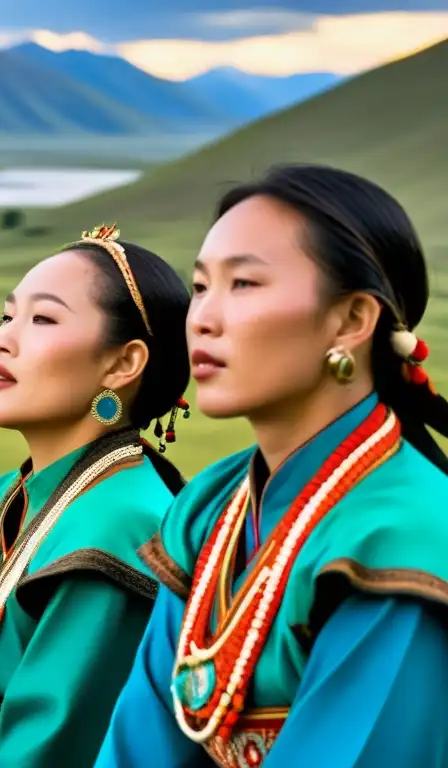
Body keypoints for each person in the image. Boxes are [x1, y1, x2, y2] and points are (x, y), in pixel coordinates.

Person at [96, 164, 448, 768]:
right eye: (201, 286)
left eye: (245, 285)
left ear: (350, 321)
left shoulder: (405, 539)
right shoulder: (207, 508)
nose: (202, 317)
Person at [0, 224, 193, 767]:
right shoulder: (3, 501)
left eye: (43, 319)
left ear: (122, 364)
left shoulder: (120, 530)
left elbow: (53, 746)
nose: (3, 339)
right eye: (8, 315)